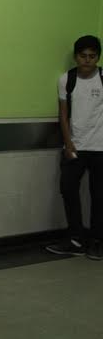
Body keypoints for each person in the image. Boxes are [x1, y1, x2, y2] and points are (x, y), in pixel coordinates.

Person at [46, 35, 103, 260]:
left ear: (98, 57)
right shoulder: (66, 80)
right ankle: (76, 239)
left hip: (100, 148)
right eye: (83, 56)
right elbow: (63, 114)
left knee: (99, 196)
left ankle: (97, 241)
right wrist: (68, 143)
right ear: (76, 57)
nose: (87, 60)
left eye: (92, 56)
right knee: (68, 190)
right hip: (75, 146)